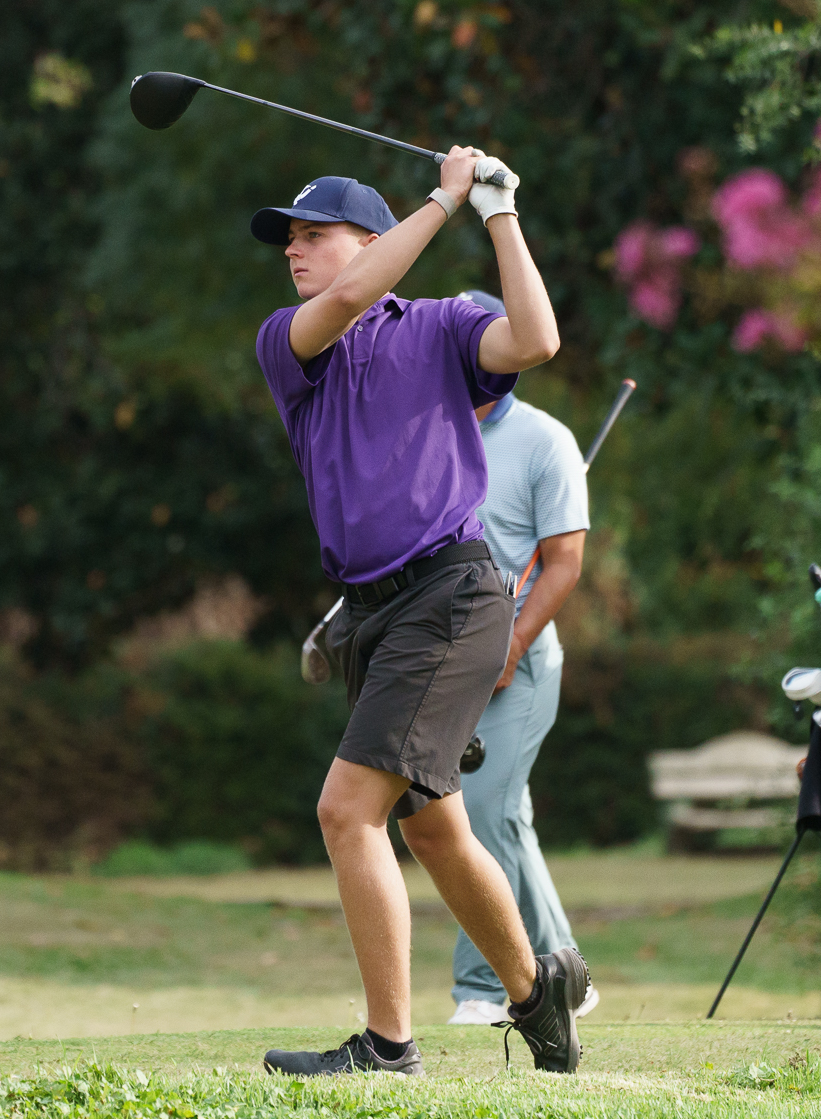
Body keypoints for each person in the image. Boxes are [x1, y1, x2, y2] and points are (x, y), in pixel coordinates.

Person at [251, 153, 588, 1077]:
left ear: (370, 236)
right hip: (371, 614)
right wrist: (444, 199)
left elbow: (537, 339)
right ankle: (539, 996)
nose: (293, 252)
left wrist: (498, 213)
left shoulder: (442, 326)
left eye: (313, 235)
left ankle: (389, 1046)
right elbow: (351, 294)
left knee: (346, 811)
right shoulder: (290, 341)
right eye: (288, 240)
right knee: (433, 828)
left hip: (451, 594)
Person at [444, 289, 597, 1025]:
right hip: (445, 660)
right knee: (503, 819)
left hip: (520, 663)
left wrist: (512, 642)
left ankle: (483, 987)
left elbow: (564, 563)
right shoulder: (430, 432)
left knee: (480, 814)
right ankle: (570, 976)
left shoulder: (546, 441)